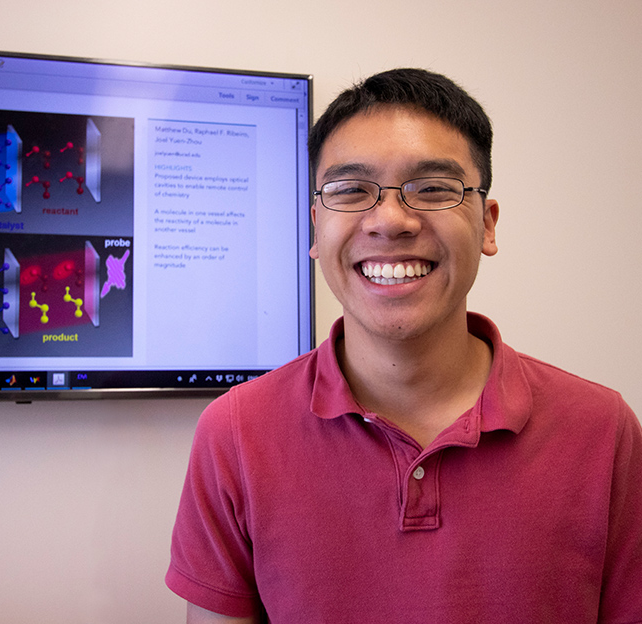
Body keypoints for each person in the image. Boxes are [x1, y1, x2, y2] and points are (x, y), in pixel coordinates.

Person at [165, 68, 642, 623]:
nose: (390, 220)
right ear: (315, 230)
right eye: (351, 190)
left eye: (434, 188)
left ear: (487, 225)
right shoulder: (234, 434)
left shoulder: (602, 430)